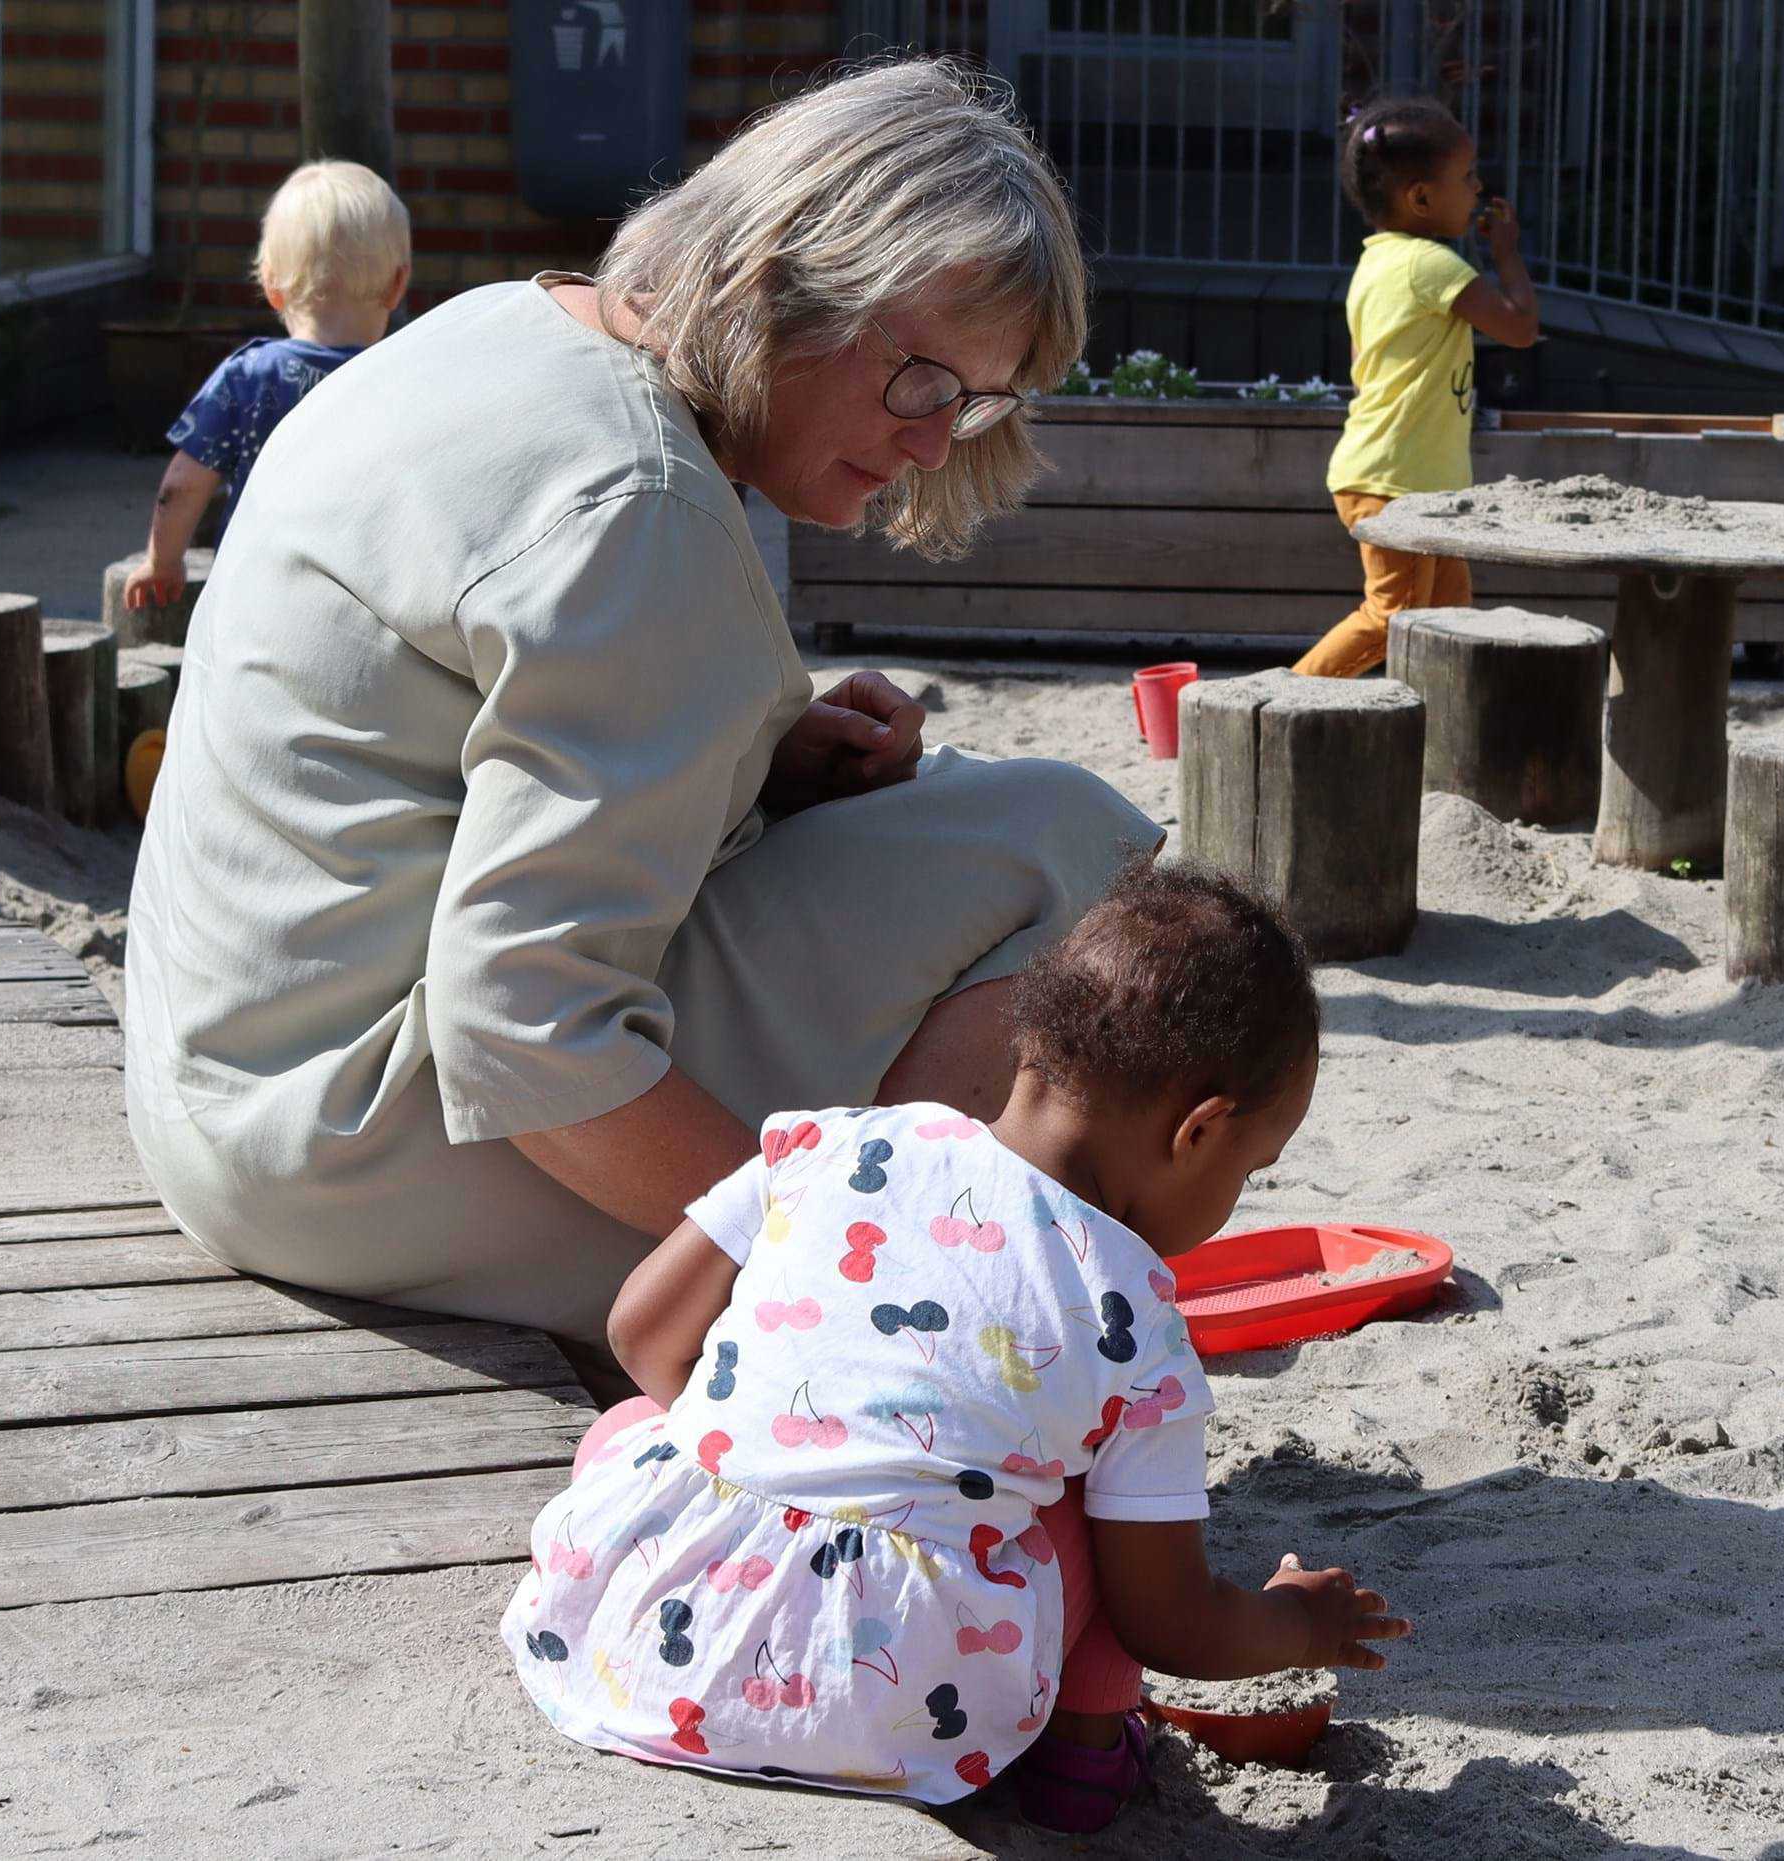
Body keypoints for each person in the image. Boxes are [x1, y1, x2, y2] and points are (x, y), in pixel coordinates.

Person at [121, 60, 1160, 1386]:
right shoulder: (641, 503)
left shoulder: (513, 326)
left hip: (227, 1088)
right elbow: (526, 1033)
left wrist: (750, 745)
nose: (937, 441)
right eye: (922, 384)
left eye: (979, 403)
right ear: (789, 281)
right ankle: (894, 1305)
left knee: (1003, 822)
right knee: (1075, 857)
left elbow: (458, 711)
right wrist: (824, 1268)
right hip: (361, 1156)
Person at [504, 859, 1412, 1830]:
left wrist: (766, 1454)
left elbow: (641, 1332)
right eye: (1253, 1167)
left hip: (647, 1642)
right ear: (1198, 1130)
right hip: (895, 1705)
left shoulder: (833, 1145)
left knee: (635, 1429)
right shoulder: (1134, 1317)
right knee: (1096, 1521)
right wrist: (1293, 1623)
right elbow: (1166, 1620)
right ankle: (1083, 1766)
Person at [1294, 96, 1540, 679]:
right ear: (1422, 199)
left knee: (1451, 620)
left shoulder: (1374, 267)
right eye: (1467, 176)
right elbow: (1521, 328)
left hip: (1413, 482)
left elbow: (1365, 365)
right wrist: (1506, 255)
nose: (1479, 187)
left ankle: (1443, 734)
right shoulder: (1432, 268)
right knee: (1391, 617)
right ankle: (1280, 696)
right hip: (1395, 483)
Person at [123, 160, 412, 613]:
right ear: (399, 284)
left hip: (256, 592)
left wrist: (163, 562)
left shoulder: (248, 376)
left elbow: (182, 484)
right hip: (370, 599)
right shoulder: (403, 378)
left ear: (270, 285)